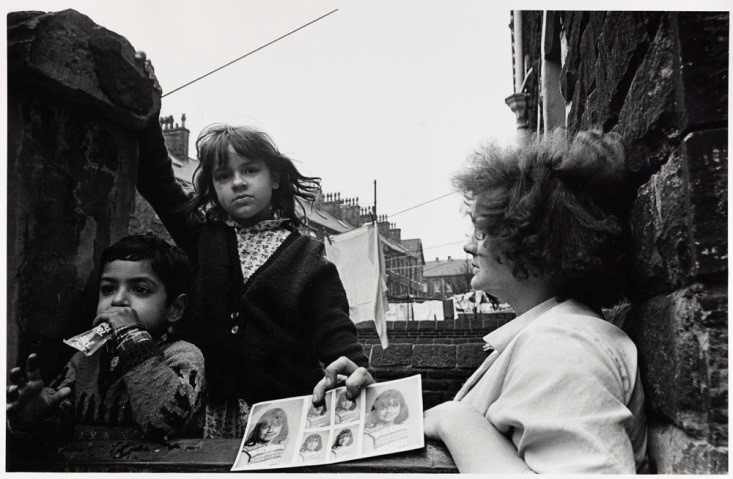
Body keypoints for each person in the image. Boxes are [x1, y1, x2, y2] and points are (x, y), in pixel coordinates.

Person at [312, 129, 648, 473]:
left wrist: (453, 418)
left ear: (532, 245)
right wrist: (378, 404)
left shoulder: (564, 347)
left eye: (482, 231)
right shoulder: (553, 335)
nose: (469, 246)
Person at [136, 106, 368, 437]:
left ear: (274, 177)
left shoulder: (308, 256)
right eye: (223, 176)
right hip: (205, 418)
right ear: (213, 187)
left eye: (250, 170)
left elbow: (335, 330)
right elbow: (157, 180)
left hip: (283, 419)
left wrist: (357, 368)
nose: (238, 183)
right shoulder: (201, 236)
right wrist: (147, 109)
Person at [6, 234, 205, 443]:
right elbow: (56, 436)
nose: (118, 300)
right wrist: (33, 419)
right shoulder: (84, 360)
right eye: (108, 289)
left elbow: (165, 423)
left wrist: (130, 333)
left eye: (140, 289)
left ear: (175, 308)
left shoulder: (183, 355)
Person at [362, 389, 409, 453]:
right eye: (383, 406)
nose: (389, 411)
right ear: (375, 409)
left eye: (394, 405)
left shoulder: (404, 428)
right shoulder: (369, 434)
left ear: (401, 407)